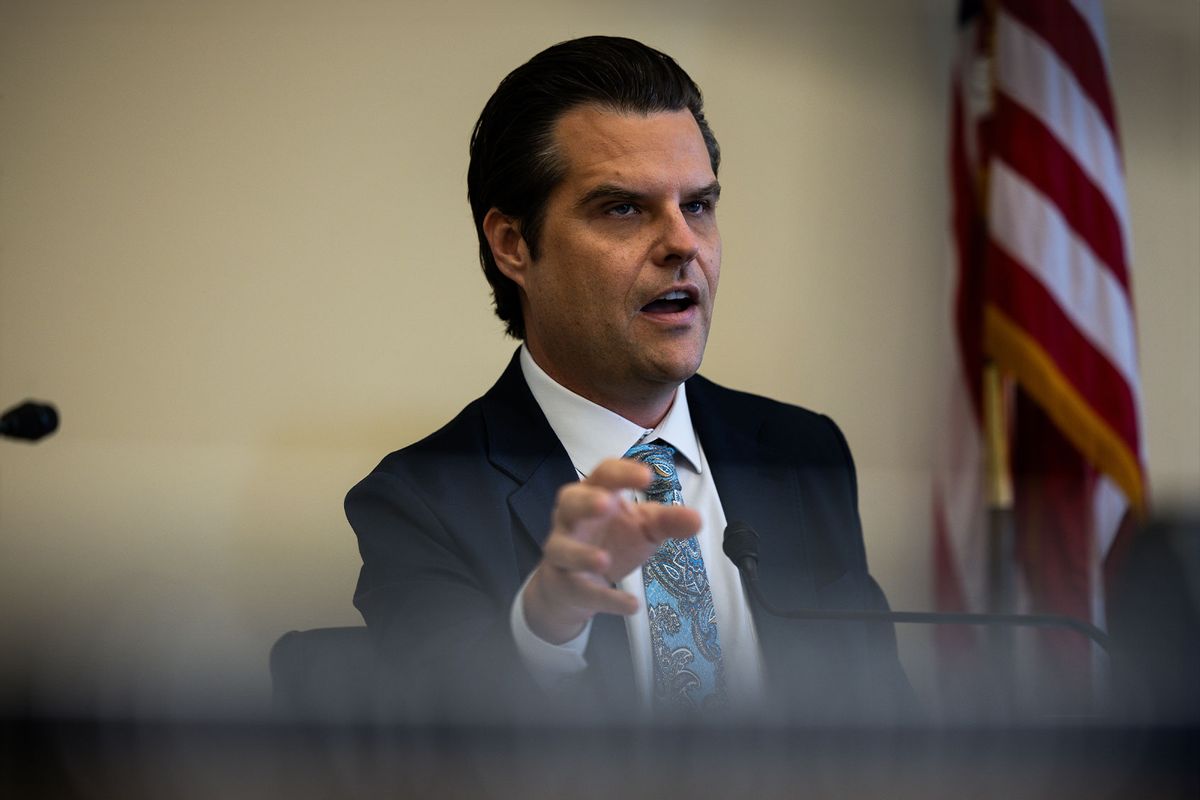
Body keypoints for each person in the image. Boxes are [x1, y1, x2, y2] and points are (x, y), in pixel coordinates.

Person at [347, 35, 911, 723]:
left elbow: (883, 729)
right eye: (623, 208)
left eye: (698, 205)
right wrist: (545, 629)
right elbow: (449, 760)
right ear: (513, 245)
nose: (682, 244)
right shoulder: (422, 503)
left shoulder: (801, 454)